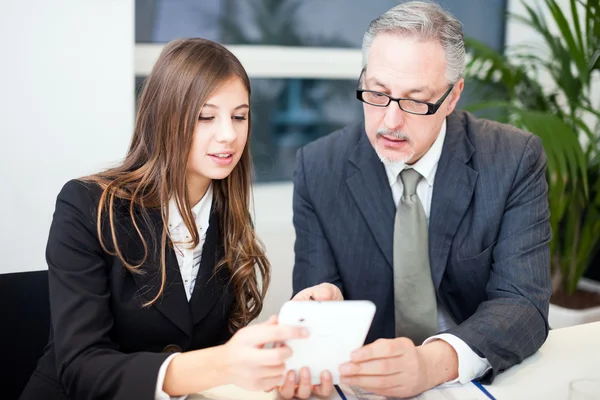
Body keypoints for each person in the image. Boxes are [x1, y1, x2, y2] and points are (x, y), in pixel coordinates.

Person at [20, 38, 319, 400]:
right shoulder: (87, 206)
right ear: (165, 117)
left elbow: (216, 350)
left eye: (239, 116)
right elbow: (82, 368)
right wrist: (223, 363)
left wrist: (269, 368)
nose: (229, 134)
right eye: (205, 116)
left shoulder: (232, 221)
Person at [291, 1, 552, 398]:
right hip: (368, 384)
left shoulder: (513, 158)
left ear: (452, 96)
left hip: (473, 378)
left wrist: (432, 363)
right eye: (378, 93)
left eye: (415, 101)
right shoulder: (318, 167)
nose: (391, 122)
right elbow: (317, 295)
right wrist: (322, 303)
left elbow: (523, 304)